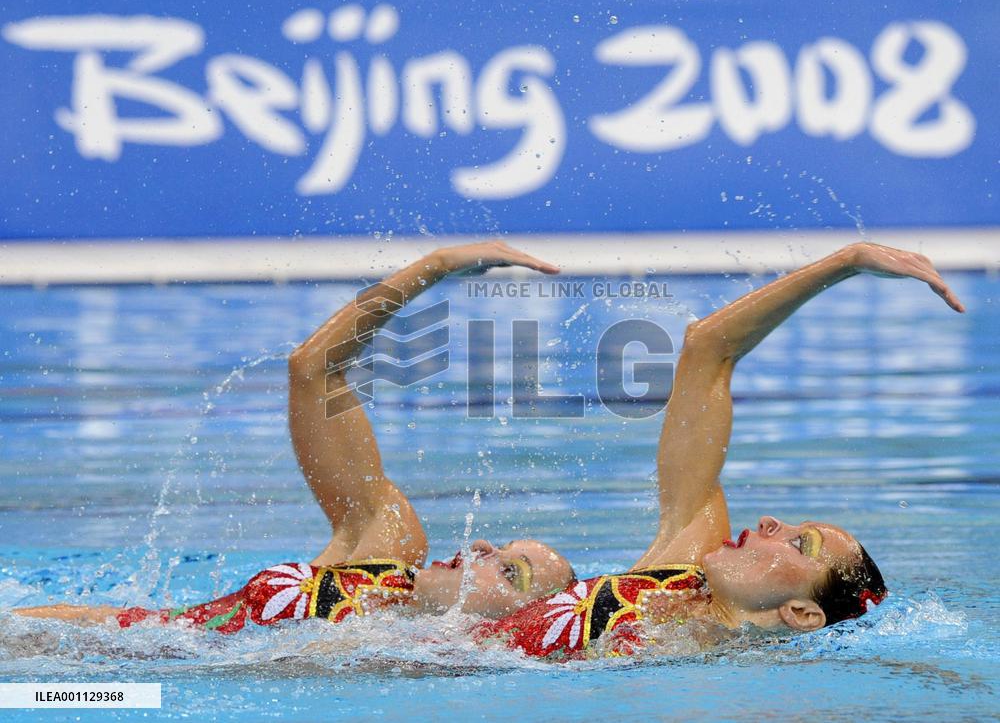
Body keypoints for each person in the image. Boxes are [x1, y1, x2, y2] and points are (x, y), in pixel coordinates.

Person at [15, 240, 964, 661]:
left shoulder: (704, 652)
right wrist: (844, 263)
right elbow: (707, 350)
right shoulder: (672, 559)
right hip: (81, 644)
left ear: (802, 615)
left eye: (799, 542)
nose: (768, 520)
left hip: (112, 683)